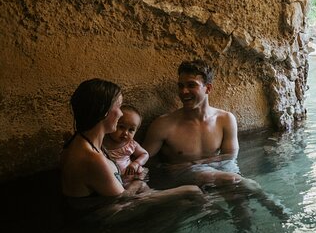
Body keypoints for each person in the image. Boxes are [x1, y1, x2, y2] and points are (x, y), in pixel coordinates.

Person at [143, 59, 287, 216]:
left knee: (240, 201)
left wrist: (195, 162)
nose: (184, 91)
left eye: (191, 85)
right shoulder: (164, 124)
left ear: (208, 88)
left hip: (221, 170)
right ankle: (275, 206)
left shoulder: (225, 119)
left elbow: (230, 156)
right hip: (184, 178)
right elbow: (143, 160)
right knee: (238, 182)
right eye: (181, 86)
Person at [60, 79, 204, 220]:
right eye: (118, 107)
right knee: (192, 192)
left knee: (186, 198)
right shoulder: (93, 159)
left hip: (100, 206)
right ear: (104, 111)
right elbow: (122, 203)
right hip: (99, 218)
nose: (121, 114)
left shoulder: (80, 140)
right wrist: (138, 183)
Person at [102, 104, 149, 184]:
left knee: (144, 191)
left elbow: (145, 154)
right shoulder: (102, 141)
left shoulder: (130, 144)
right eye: (121, 127)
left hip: (130, 178)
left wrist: (136, 163)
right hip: (112, 181)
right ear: (113, 123)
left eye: (131, 130)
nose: (125, 133)